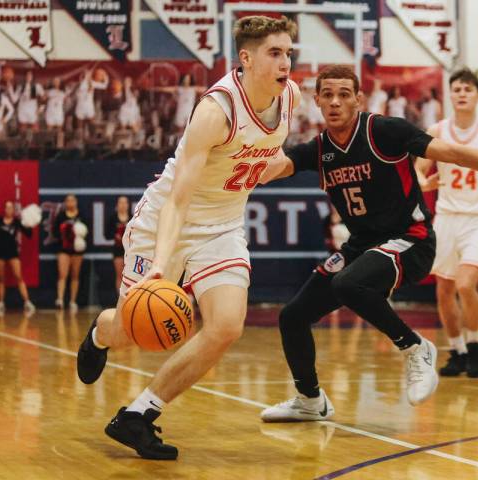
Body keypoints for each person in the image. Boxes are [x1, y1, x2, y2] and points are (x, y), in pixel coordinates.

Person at [257, 65, 478, 422]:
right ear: (316, 101)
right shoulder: (318, 149)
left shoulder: (384, 131)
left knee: (348, 283)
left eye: (344, 94)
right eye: (327, 95)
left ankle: (416, 348)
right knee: (292, 317)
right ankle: (309, 399)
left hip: (412, 239)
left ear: (358, 99)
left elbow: (453, 153)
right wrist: (242, 154)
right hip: (362, 247)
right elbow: (274, 167)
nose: (335, 102)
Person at [75, 16, 300, 460]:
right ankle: (100, 335)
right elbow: (178, 200)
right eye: (275, 53)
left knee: (226, 326)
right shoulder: (216, 111)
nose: (285, 62)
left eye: (289, 53)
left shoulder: (289, 96)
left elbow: (260, 161)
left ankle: (138, 415)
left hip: (223, 226)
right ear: (246, 58)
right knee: (131, 331)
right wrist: (161, 265)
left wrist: (302, 165)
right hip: (167, 222)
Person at [415, 68, 478, 379]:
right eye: (457, 89)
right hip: (446, 216)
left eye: (467, 89)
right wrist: (425, 184)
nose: (461, 94)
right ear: (450, 94)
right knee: (444, 290)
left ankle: (476, 346)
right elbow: (418, 170)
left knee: (464, 284)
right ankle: (457, 350)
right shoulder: (437, 131)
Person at [0, 201, 36, 315]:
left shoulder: (17, 222)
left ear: (13, 210)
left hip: (12, 253)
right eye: (7, 208)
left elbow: (28, 234)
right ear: (4, 210)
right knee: (1, 278)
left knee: (19, 276)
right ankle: (1, 302)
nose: (9, 210)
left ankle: (27, 301)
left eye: (11, 208)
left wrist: (29, 225)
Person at [53, 194, 87, 311]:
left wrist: (80, 237)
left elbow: (87, 232)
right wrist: (66, 234)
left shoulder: (81, 215)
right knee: (62, 274)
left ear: (76, 202)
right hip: (63, 249)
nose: (70, 203)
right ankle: (60, 300)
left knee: (75, 275)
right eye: (68, 200)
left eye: (73, 200)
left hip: (77, 251)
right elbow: (55, 232)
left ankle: (73, 301)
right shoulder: (61, 216)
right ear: (65, 203)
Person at [105, 196, 131, 294]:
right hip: (118, 249)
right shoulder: (113, 218)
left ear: (128, 205)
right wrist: (115, 235)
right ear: (117, 205)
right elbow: (106, 234)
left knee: (130, 274)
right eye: (121, 202)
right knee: (120, 275)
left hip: (129, 249)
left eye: (125, 203)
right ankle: (120, 297)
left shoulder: (132, 217)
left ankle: (130, 297)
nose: (123, 205)